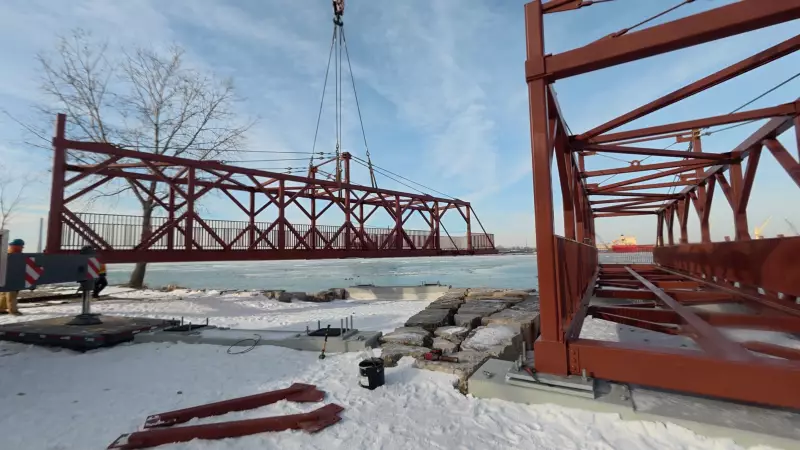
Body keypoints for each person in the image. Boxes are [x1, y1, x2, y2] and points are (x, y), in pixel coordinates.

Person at [0, 239, 25, 315]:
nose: (22, 248)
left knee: (4, 293)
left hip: (5, 277)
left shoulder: (6, 254)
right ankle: (13, 310)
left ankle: (1, 308)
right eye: (21, 246)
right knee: (12, 294)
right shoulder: (15, 255)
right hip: (12, 277)